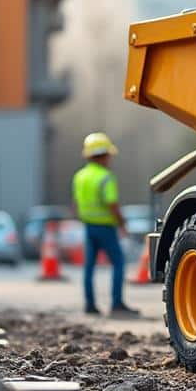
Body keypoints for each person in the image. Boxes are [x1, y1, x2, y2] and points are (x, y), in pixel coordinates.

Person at [72, 132, 139, 317]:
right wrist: (122, 224)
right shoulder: (106, 177)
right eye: (108, 154)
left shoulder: (80, 176)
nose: (110, 158)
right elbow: (112, 204)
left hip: (88, 226)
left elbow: (76, 203)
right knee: (118, 263)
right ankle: (116, 303)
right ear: (102, 154)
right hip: (106, 228)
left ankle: (89, 305)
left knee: (89, 267)